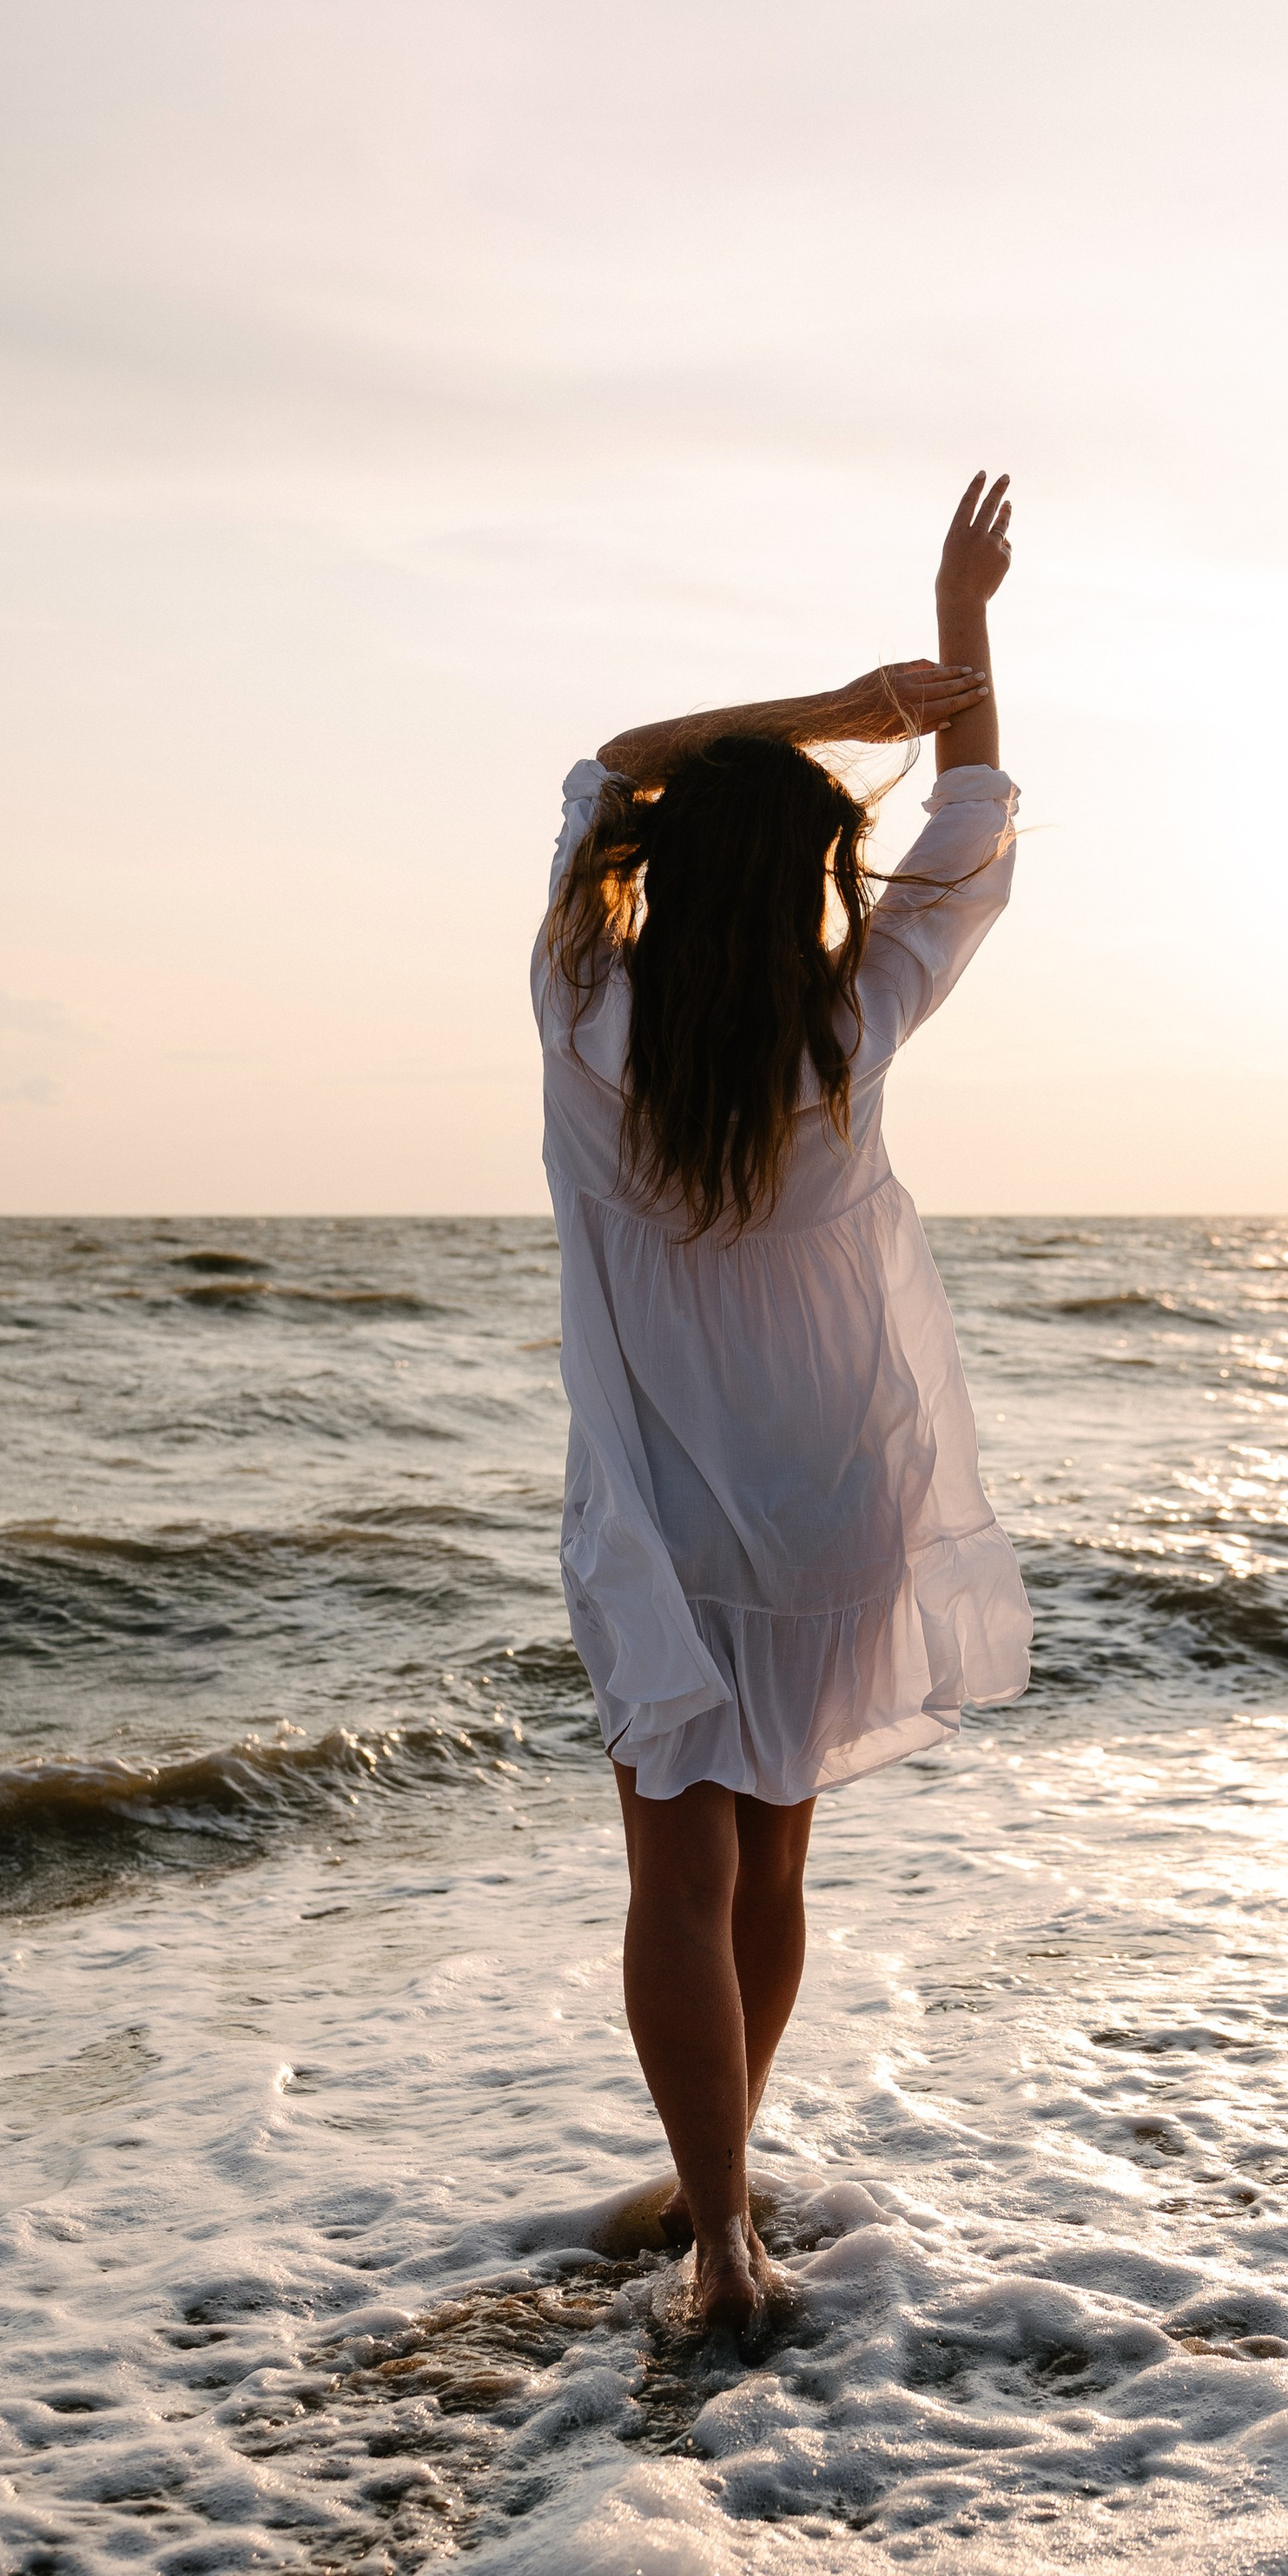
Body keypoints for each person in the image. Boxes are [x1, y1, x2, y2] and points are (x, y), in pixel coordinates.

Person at [533, 472, 1031, 2329]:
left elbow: (610, 758)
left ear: (661, 877)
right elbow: (972, 810)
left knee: (677, 1866)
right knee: (774, 1849)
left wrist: (826, 706)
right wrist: (957, 627)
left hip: (665, 1510)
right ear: (813, 886)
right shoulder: (851, 1028)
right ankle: (714, 2176)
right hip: (836, 1500)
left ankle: (723, 2224)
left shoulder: (584, 1009)